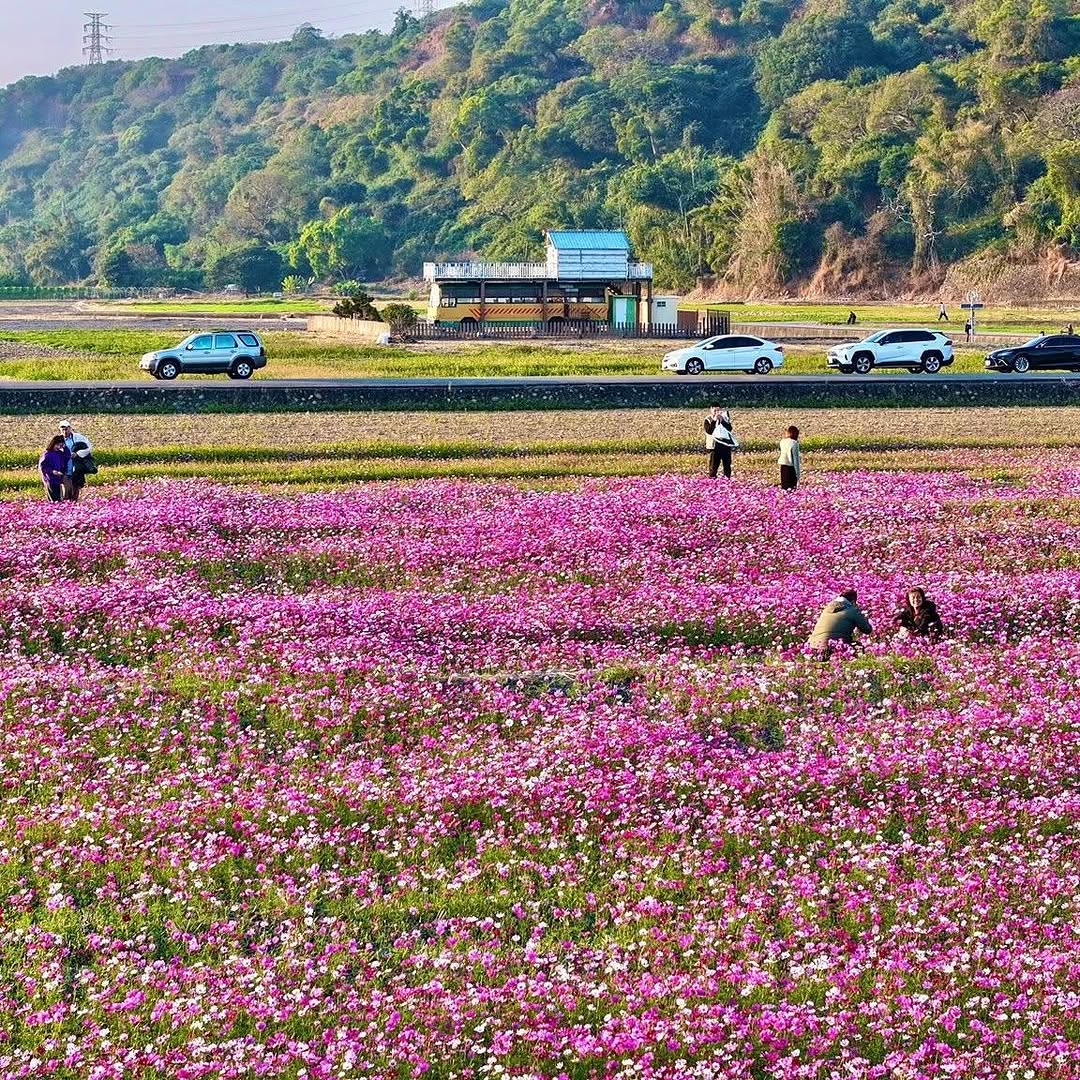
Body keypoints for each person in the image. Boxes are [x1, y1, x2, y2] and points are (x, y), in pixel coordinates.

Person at [807, 588, 873, 657]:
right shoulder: (852, 610)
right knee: (857, 648)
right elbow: (867, 630)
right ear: (853, 601)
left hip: (812, 648)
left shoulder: (827, 608)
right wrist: (861, 616)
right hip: (834, 648)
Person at [58, 419, 93, 502]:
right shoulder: (58, 440)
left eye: (66, 428)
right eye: (63, 429)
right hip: (64, 466)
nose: (65, 431)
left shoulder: (78, 437)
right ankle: (66, 502)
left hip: (77, 465)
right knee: (66, 485)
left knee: (76, 484)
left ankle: (73, 502)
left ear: (70, 428)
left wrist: (77, 454)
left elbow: (89, 448)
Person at [703, 404, 738, 479]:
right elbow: (709, 431)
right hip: (714, 446)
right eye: (715, 410)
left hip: (725, 444)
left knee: (727, 464)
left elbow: (729, 428)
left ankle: (727, 479)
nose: (716, 412)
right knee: (714, 465)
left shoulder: (724, 418)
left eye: (718, 410)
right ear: (711, 410)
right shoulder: (708, 419)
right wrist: (714, 420)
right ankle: (712, 480)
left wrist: (723, 421)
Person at [39, 435, 70, 502]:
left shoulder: (60, 453)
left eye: (60, 445)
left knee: (58, 498)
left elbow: (67, 457)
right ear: (53, 444)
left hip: (58, 478)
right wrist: (52, 471)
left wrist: (65, 448)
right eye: (57, 445)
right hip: (50, 479)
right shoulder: (47, 454)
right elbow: (43, 467)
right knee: (54, 499)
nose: (59, 447)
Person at [778, 425, 801, 490]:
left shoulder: (782, 442)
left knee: (784, 487)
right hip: (791, 468)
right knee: (791, 488)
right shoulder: (794, 443)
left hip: (783, 466)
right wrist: (798, 475)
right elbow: (796, 460)